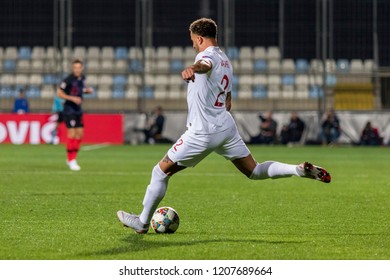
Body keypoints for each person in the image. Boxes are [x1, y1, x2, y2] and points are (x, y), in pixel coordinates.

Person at [117, 18, 331, 234]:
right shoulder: (225, 59)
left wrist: (193, 68)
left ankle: (142, 223)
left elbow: (204, 66)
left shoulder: (206, 57)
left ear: (199, 38)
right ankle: (296, 170)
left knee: (160, 172)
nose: (192, 44)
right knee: (254, 170)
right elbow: (228, 101)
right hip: (225, 126)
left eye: (193, 40)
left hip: (203, 131)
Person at [57, 59, 93, 171]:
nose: (77, 69)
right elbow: (59, 93)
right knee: (71, 134)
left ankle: (72, 159)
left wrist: (87, 91)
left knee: (79, 135)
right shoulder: (68, 80)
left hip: (78, 110)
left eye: (79, 67)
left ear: (81, 68)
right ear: (72, 68)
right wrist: (72, 98)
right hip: (69, 109)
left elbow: (80, 90)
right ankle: (71, 160)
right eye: (75, 67)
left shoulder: (82, 78)